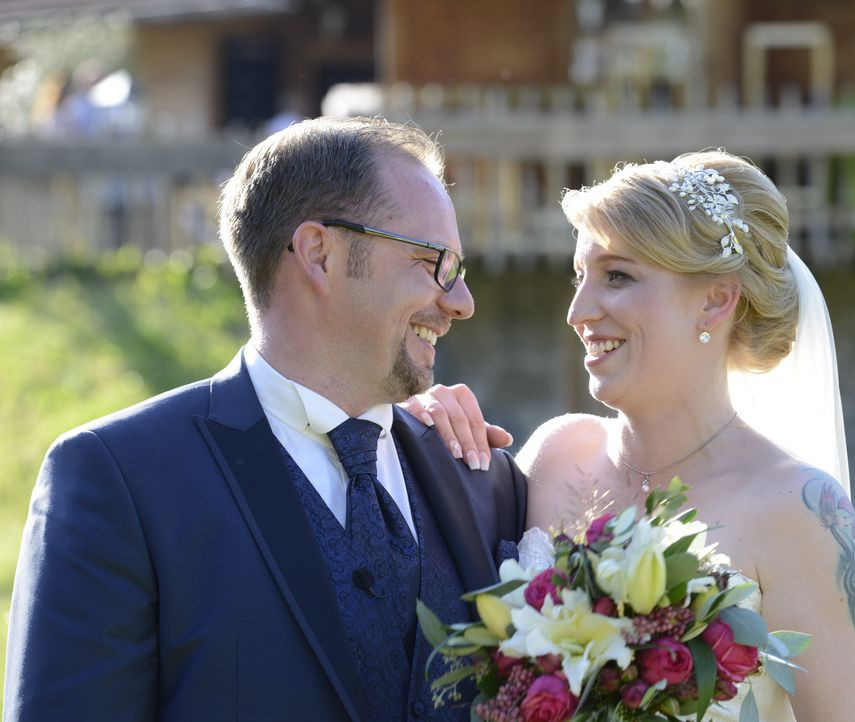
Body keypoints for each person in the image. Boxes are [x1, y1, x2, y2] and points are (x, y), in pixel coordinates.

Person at [4, 117, 528, 722]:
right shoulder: (118, 481)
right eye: (435, 262)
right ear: (318, 253)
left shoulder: (483, 479)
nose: (461, 302)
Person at [403, 151, 855, 721]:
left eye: (618, 276)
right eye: (581, 277)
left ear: (715, 300)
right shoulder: (557, 454)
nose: (578, 311)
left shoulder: (802, 513)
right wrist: (415, 426)